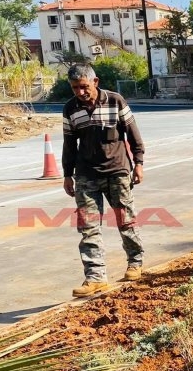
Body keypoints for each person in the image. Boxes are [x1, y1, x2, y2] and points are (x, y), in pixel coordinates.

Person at [62, 63, 146, 297]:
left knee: (125, 220)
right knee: (88, 227)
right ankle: (95, 277)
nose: (80, 92)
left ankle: (135, 262)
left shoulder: (115, 101)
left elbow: (134, 135)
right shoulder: (70, 109)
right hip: (86, 176)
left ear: (95, 82)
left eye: (84, 87)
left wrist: (138, 163)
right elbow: (69, 144)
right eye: (75, 88)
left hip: (117, 171)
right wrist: (67, 174)